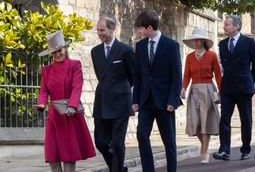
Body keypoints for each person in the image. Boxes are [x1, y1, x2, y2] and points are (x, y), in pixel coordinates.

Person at [35, 30, 96, 172]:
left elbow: (77, 87)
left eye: (60, 50)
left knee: (68, 155)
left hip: (70, 114)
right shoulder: (46, 70)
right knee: (52, 155)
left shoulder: (75, 65)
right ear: (51, 53)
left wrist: (73, 106)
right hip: (54, 117)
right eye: (54, 52)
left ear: (65, 49)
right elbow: (44, 91)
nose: (58, 54)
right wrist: (42, 103)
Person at [132, 9, 182, 172]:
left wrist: (173, 100)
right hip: (146, 100)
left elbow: (176, 76)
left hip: (165, 101)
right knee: (141, 134)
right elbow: (138, 76)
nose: (139, 31)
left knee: (169, 142)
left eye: (140, 28)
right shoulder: (139, 47)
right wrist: (135, 100)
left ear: (149, 27)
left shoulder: (171, 45)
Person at [91, 16, 134, 172]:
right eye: (98, 30)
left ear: (112, 29)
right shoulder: (95, 52)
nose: (99, 33)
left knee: (117, 143)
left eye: (102, 30)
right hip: (102, 102)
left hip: (121, 103)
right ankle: (119, 168)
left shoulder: (126, 50)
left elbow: (133, 77)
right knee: (100, 142)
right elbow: (100, 75)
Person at [212, 15, 255, 161]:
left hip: (244, 86)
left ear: (236, 27)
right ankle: (224, 150)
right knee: (224, 119)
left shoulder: (249, 42)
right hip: (227, 87)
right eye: (224, 24)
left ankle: (245, 149)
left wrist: (254, 82)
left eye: (227, 24)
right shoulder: (222, 44)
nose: (224, 27)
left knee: (246, 119)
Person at [181, 28, 222, 164]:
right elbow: (187, 75)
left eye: (198, 39)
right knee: (195, 122)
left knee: (206, 121)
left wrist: (220, 92)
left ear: (204, 41)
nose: (196, 42)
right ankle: (205, 146)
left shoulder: (212, 56)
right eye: (194, 39)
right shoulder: (189, 57)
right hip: (194, 90)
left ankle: (204, 151)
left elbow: (218, 75)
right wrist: (183, 88)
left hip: (209, 89)